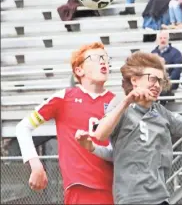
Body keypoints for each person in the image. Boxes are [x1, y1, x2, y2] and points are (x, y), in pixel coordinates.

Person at [76, 51, 182, 205]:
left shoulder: (162, 113)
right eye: (152, 79)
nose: (157, 85)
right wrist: (127, 101)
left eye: (160, 81)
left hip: (160, 198)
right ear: (134, 80)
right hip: (131, 199)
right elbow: (101, 134)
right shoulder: (120, 105)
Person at [16, 42, 115, 205]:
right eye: (96, 58)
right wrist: (35, 164)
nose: (103, 62)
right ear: (79, 70)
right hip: (81, 188)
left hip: (117, 189)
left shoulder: (117, 102)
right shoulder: (64, 98)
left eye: (105, 58)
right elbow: (23, 127)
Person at [151, 30, 182, 104]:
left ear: (168, 39)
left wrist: (168, 81)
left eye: (164, 38)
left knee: (162, 89)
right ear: (157, 40)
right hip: (156, 81)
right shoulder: (153, 53)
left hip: (170, 81)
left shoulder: (176, 53)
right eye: (161, 38)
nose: (162, 40)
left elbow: (177, 70)